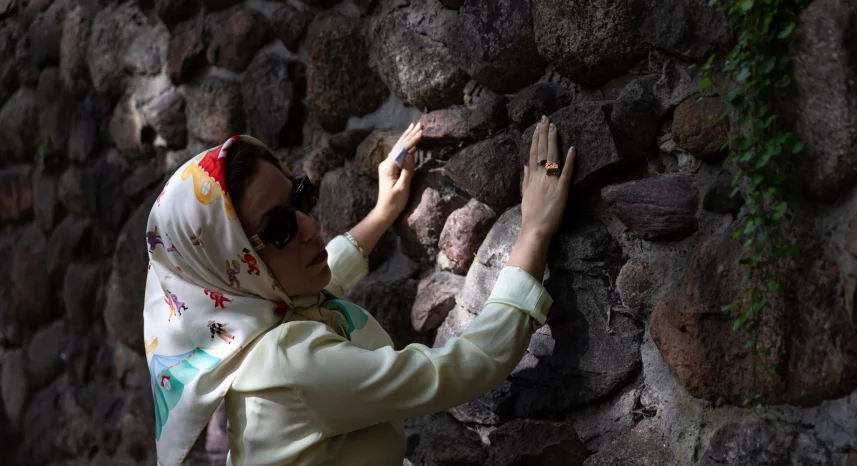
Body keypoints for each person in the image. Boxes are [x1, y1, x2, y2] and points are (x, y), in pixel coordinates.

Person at [142, 116, 576, 466]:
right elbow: (462, 368)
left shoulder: (249, 325)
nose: (311, 227)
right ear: (231, 268)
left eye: (300, 197)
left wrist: (383, 212)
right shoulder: (289, 362)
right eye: (279, 228)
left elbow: (326, 278)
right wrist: (534, 230)